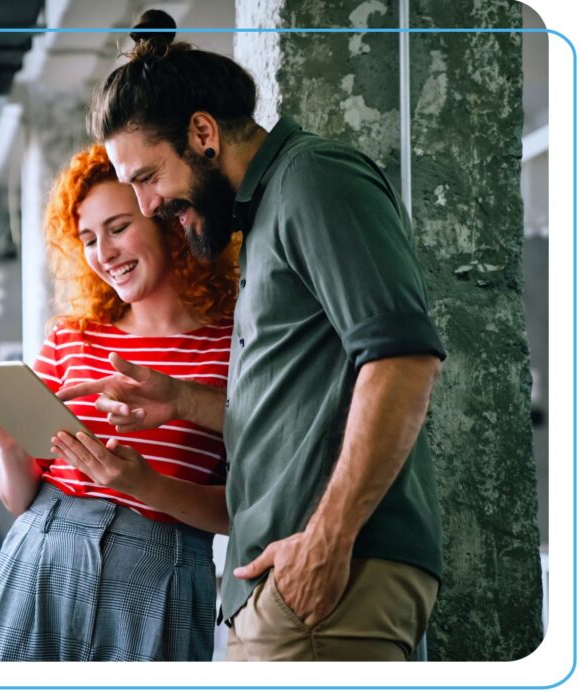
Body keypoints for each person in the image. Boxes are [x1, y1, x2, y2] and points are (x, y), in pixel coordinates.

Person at [59, 10, 448, 662]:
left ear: (203, 133)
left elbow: (403, 359)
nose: (148, 206)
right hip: (287, 582)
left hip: (330, 577)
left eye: (148, 178)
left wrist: (326, 540)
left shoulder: (315, 179)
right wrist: (179, 400)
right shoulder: (266, 214)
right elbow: (302, 405)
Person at [0, 144, 239, 661]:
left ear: (167, 219)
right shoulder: (72, 337)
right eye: (90, 239)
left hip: (160, 574)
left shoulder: (232, 342)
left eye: (118, 228)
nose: (104, 253)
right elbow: (17, 498)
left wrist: (148, 486)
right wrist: (7, 446)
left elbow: (244, 510)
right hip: (40, 558)